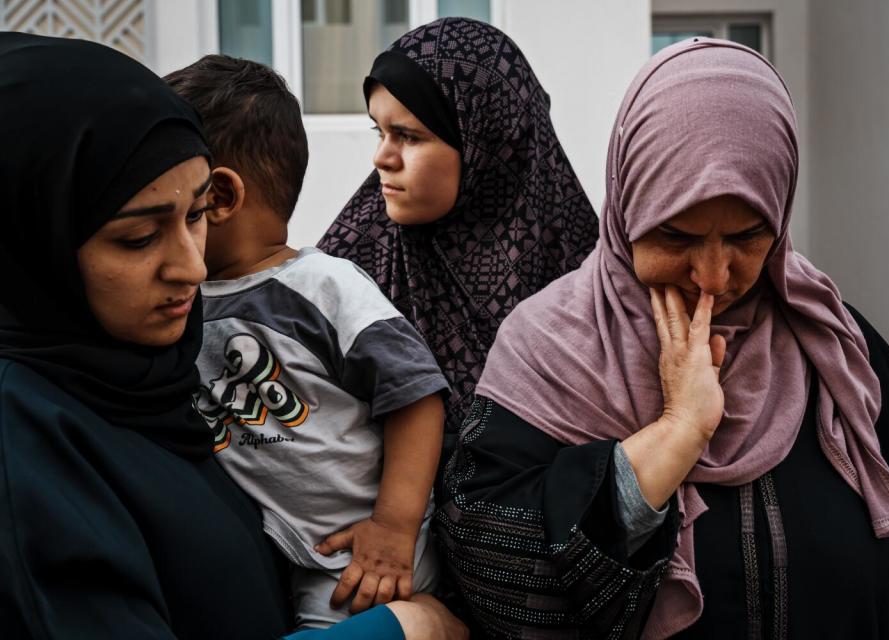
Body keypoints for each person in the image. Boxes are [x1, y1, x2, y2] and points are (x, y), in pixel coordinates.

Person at [436, 38, 889, 639]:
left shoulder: (841, 349)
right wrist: (676, 434)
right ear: (628, 208)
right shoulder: (546, 351)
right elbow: (487, 568)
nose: (714, 277)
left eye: (747, 236)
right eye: (678, 236)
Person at [0, 32, 466, 640]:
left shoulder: (146, 373)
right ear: (35, 239)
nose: (192, 269)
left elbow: (412, 393)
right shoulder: (29, 441)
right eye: (138, 238)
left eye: (196, 216)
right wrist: (401, 630)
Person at [165, 55, 450, 629]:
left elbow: (417, 397)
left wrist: (394, 527)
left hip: (362, 553)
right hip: (290, 549)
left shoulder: (324, 287)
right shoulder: (179, 298)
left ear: (218, 196)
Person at [318, 18, 600, 448]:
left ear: (485, 140)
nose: (382, 157)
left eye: (409, 137)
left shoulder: (586, 284)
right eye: (380, 131)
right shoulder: (346, 274)